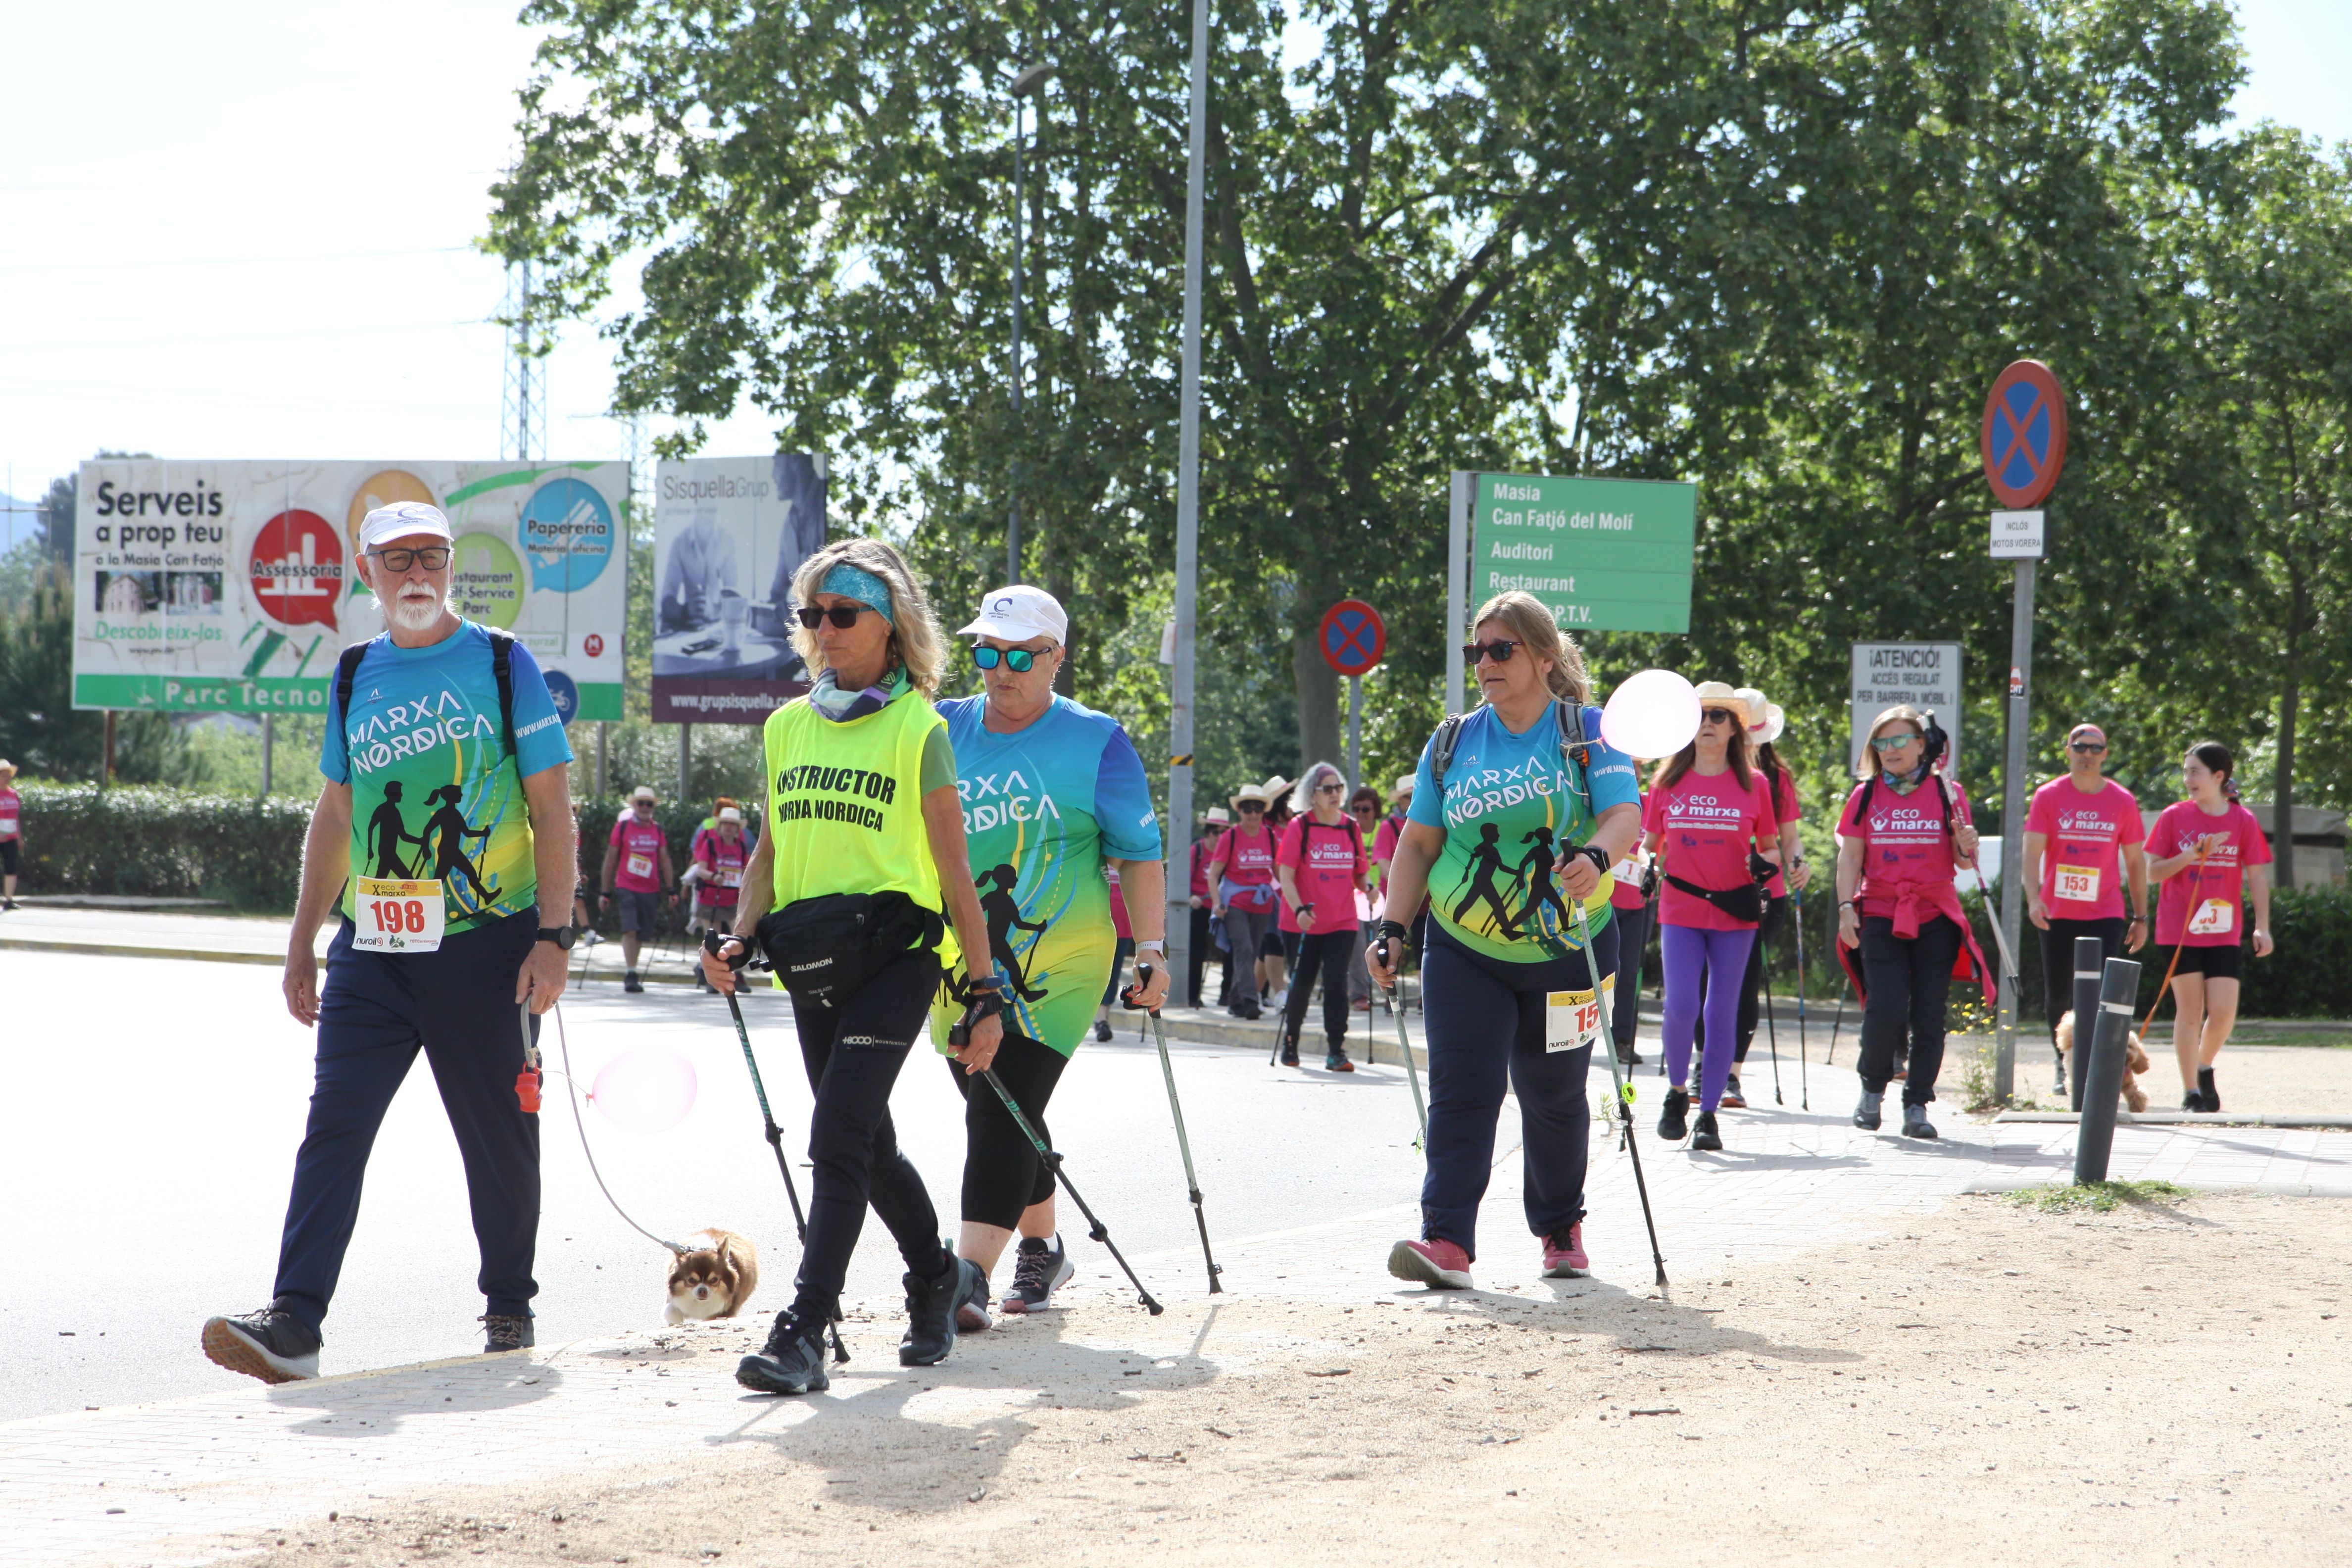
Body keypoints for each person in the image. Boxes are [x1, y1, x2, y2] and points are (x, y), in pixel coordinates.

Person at [201, 500, 576, 1383]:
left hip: (490, 943)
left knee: (498, 1135)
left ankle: (509, 1304)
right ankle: (295, 1319)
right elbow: (336, 812)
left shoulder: (500, 659)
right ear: (365, 573)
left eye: (433, 556)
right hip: (372, 946)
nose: (418, 573)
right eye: (397, 558)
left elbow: (554, 806)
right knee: (334, 1124)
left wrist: (555, 934)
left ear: (451, 567)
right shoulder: (353, 671)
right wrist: (301, 940)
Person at [705, 537, 1003, 1396]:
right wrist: (738, 934)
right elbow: (768, 850)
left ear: (891, 626)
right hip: (811, 958)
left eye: (843, 614)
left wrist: (984, 991)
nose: (824, 631)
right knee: (866, 1147)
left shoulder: (920, 728)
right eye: (811, 616)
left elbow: (955, 874)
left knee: (833, 1134)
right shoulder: (786, 726)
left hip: (897, 958)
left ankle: (803, 1326)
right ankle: (935, 1273)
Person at [1368, 590, 1640, 1289]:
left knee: (1553, 1094)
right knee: (1465, 1087)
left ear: (1543, 656)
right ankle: (1447, 1240)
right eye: (1475, 651)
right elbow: (1420, 844)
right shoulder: (1452, 741)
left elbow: (1622, 816)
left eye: (1500, 649)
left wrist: (1598, 860)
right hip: (1465, 949)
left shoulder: (1590, 730)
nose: (1483, 663)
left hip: (1569, 948)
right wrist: (1392, 926)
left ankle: (1559, 1228)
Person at [918, 584, 1167, 1326]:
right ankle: (1045, 1245)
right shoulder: (935, 727)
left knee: (1002, 1106)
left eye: (1022, 656)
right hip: (956, 959)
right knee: (1004, 1106)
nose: (1001, 670)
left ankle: (966, 1280)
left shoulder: (1098, 741)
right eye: (988, 653)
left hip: (1061, 960)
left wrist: (1150, 949)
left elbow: (1140, 855)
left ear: (1057, 657)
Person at [1833, 704, 1991, 1139]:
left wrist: (1967, 843)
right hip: (1881, 911)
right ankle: (1871, 1089)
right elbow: (1850, 856)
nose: (1889, 750)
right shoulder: (1865, 795)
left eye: (1900, 740)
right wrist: (1846, 907)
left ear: (1923, 745)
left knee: (1928, 1014)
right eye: (1881, 743)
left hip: (1935, 914)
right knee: (1883, 1006)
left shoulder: (1948, 792)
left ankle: (1917, 1103)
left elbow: (1963, 861)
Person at [1644, 684, 1780, 1151]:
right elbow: (1646, 846)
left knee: (1720, 1011)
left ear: (1735, 728)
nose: (1709, 722)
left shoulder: (1754, 785)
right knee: (1681, 1007)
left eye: (1720, 715)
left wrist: (1768, 865)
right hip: (1680, 907)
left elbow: (1769, 846)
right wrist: (1643, 869)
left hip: (1734, 910)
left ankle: (1708, 1115)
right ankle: (1677, 1092)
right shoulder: (1664, 784)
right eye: (1700, 714)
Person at [1692, 688, 1813, 1106]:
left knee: (1740, 983)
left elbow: (1789, 836)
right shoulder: (1698, 768)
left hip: (1762, 895)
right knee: (1702, 981)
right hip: (1703, 891)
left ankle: (1730, 1075)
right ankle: (1703, 1065)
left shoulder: (1775, 779)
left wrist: (1799, 863)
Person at [2147, 740, 2274, 1112]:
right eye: (2186, 771)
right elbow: (2153, 872)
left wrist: (2262, 927)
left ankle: (2204, 1067)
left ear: (2219, 776)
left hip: (2223, 930)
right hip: (2179, 928)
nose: (2188, 779)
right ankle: (2190, 1092)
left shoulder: (2242, 821)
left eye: (2195, 771)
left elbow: (2258, 878)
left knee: (2222, 1014)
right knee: (2190, 1011)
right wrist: (2192, 854)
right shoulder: (2174, 816)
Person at [2024, 723, 2150, 1093]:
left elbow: (2136, 863)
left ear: (2105, 754)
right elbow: (2031, 854)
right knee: (2059, 994)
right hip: (2057, 911)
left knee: (2099, 995)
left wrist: (2141, 917)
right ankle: (2064, 1065)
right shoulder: (2048, 796)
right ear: (2068, 751)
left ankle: (2097, 1063)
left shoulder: (2122, 801)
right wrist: (2034, 899)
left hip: (2105, 911)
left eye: (2096, 749)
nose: (2088, 755)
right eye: (2080, 747)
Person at [1275, 762, 1370, 1071]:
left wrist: (1368, 888)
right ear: (1312, 795)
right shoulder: (1299, 827)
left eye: (1338, 788)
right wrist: (1300, 909)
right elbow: (1286, 876)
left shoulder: (1350, 827)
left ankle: (1336, 1050)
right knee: (1301, 984)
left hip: (1342, 920)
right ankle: (1291, 1041)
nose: (1334, 794)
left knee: (1336, 983)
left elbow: (1359, 874)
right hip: (1303, 921)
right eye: (1327, 789)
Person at [1206, 783, 1281, 1020]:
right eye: (1247, 809)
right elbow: (1214, 874)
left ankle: (1235, 1000)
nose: (1253, 814)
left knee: (1253, 951)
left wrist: (1293, 898)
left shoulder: (1270, 836)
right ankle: (1250, 1001)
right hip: (1235, 903)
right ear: (1240, 811)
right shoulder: (1231, 836)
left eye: (1258, 808)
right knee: (1244, 949)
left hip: (1263, 902)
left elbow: (1279, 873)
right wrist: (1217, 904)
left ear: (1263, 811)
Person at [602, 785, 676, 992]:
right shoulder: (622, 827)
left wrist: (671, 890)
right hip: (626, 886)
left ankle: (633, 969)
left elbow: (665, 860)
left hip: (651, 889)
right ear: (634, 805)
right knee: (630, 928)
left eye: (649, 804)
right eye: (640, 803)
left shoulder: (657, 830)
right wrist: (605, 891)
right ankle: (631, 971)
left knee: (642, 932)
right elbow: (611, 859)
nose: (644, 807)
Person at [1606, 789, 1654, 1067]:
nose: (1634, 770)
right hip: (1601, 900)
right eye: (1630, 763)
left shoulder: (1652, 800)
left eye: (1638, 765)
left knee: (1629, 973)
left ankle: (1622, 1041)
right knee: (1586, 972)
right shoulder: (1605, 794)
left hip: (1639, 903)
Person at [687, 805, 753, 990]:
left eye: (733, 825)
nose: (729, 828)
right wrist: (713, 876)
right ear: (720, 825)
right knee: (713, 940)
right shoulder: (710, 844)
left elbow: (746, 870)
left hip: (732, 899)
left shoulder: (741, 847)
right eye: (725, 824)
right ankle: (712, 979)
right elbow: (700, 869)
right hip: (711, 898)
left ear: (738, 828)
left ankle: (738, 975)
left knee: (738, 938)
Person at [657, 504, 741, 631]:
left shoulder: (727, 541)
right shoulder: (680, 542)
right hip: (688, 628)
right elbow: (667, 598)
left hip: (718, 630)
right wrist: (685, 611)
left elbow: (735, 598)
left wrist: (713, 610)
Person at [1187, 806, 1229, 1007]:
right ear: (1207, 833)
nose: (1220, 837)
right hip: (1199, 908)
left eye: (1224, 832)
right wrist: (1191, 897)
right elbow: (1179, 881)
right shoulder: (1197, 851)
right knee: (1197, 953)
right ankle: (1193, 996)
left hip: (1223, 908)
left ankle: (1227, 996)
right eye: (1215, 832)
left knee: (1230, 951)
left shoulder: (1229, 852)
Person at [1346, 785, 1383, 1010]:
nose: (1360, 814)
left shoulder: (1384, 829)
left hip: (1382, 896)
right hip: (1354, 897)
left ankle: (1386, 992)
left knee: (1382, 944)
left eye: (1365, 809)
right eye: (1356, 809)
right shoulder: (1349, 831)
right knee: (1358, 945)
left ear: (1375, 810)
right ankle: (1359, 994)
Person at [1096, 867, 1137, 1043]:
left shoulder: (1128, 859)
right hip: (1097, 926)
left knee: (1113, 975)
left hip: (1123, 927)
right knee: (1097, 971)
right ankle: (1101, 1020)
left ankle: (1103, 1019)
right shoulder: (1094, 854)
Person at [0, 758, 20, 910]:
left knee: (11, 867)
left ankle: (8, 900)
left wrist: (19, 837)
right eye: (3, 775)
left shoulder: (14, 794)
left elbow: (16, 817)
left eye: (8, 775)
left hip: (11, 838)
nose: (6, 778)